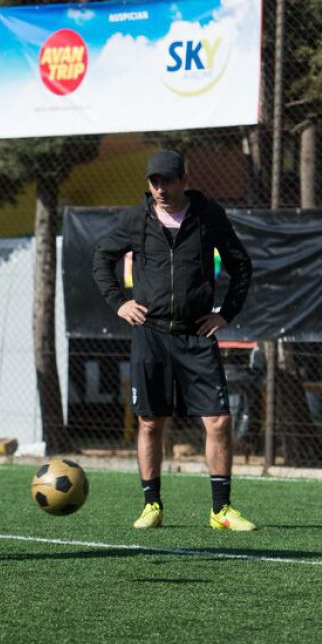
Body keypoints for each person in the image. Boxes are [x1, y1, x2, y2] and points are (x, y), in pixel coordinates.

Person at [92, 150, 255, 531]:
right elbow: (102, 258)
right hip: (150, 334)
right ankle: (152, 505)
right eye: (154, 182)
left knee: (217, 421)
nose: (160, 189)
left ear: (185, 178)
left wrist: (225, 313)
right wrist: (119, 302)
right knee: (150, 423)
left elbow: (241, 265)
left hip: (196, 334)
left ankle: (221, 511)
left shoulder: (208, 215)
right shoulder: (137, 219)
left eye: (167, 180)